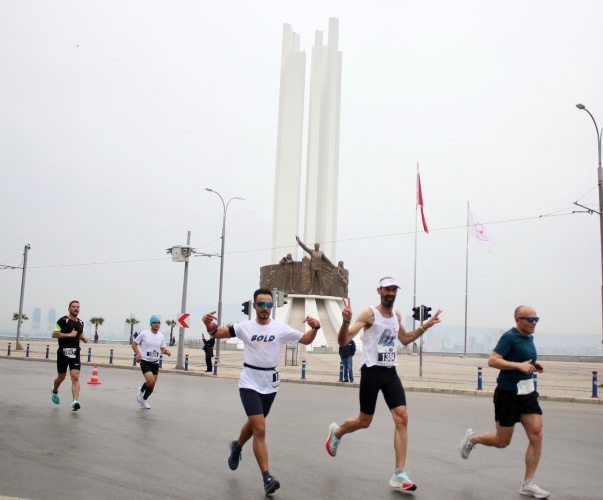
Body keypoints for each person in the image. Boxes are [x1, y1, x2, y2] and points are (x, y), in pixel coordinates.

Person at [325, 277, 442, 492]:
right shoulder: (369, 314)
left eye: (394, 290)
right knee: (364, 421)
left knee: (402, 418)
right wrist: (345, 321)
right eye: (387, 289)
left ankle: (399, 474)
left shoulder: (396, 315)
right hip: (371, 372)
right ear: (379, 290)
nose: (390, 293)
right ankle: (337, 433)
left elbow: (405, 339)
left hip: (390, 372)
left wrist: (426, 326)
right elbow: (343, 340)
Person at [202, 288, 321, 496]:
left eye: (268, 305)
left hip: (270, 384)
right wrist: (208, 324)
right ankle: (267, 477)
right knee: (260, 428)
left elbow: (306, 340)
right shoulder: (244, 327)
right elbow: (218, 333)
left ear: (271, 307)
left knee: (255, 425)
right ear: (254, 306)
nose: (265, 309)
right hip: (249, 382)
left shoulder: (280, 328)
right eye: (261, 305)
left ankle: (237, 446)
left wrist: (316, 328)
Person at [459, 305, 549, 499]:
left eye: (536, 319)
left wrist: (534, 365)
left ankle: (528, 483)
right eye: (530, 319)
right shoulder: (509, 337)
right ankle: (473, 438)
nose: (534, 323)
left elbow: (523, 360)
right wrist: (517, 365)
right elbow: (493, 360)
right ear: (518, 320)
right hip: (508, 394)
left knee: (537, 434)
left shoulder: (529, 337)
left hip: (528, 394)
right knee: (502, 441)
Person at [51, 300, 89, 411]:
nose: (76, 308)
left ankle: (75, 401)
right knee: (61, 377)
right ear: (69, 309)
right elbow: (54, 334)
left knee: (75, 377)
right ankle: (55, 390)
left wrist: (83, 338)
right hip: (63, 353)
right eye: (74, 307)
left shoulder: (80, 323)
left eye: (78, 307)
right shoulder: (63, 321)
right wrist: (69, 334)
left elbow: (79, 333)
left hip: (75, 353)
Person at [132, 315, 171, 409]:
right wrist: (138, 354)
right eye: (155, 323)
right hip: (145, 361)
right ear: (151, 324)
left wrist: (166, 351)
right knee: (150, 381)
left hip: (155, 362)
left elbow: (162, 348)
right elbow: (134, 344)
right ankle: (141, 391)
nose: (157, 324)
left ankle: (144, 400)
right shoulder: (144, 334)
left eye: (158, 323)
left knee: (152, 385)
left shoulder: (161, 336)